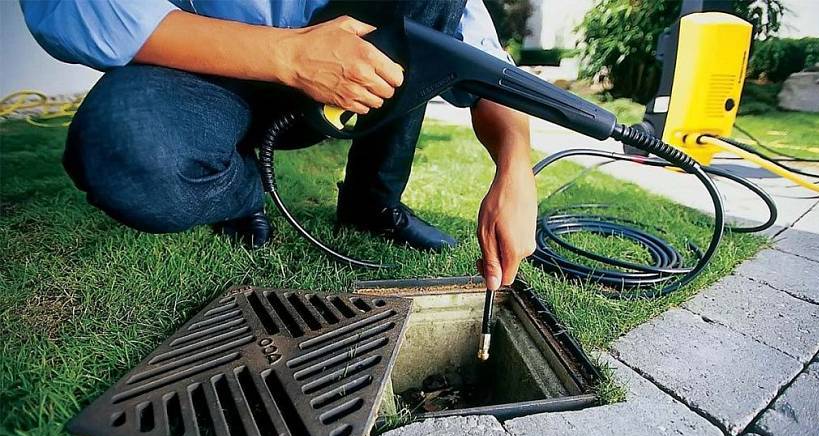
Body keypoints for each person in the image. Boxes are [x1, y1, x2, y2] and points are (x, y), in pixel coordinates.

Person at [20, 0, 537, 291]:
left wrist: (515, 168)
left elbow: (479, 57)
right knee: (123, 144)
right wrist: (290, 56)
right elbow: (74, 9)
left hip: (344, 86)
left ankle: (371, 204)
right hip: (208, 63)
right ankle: (242, 194)